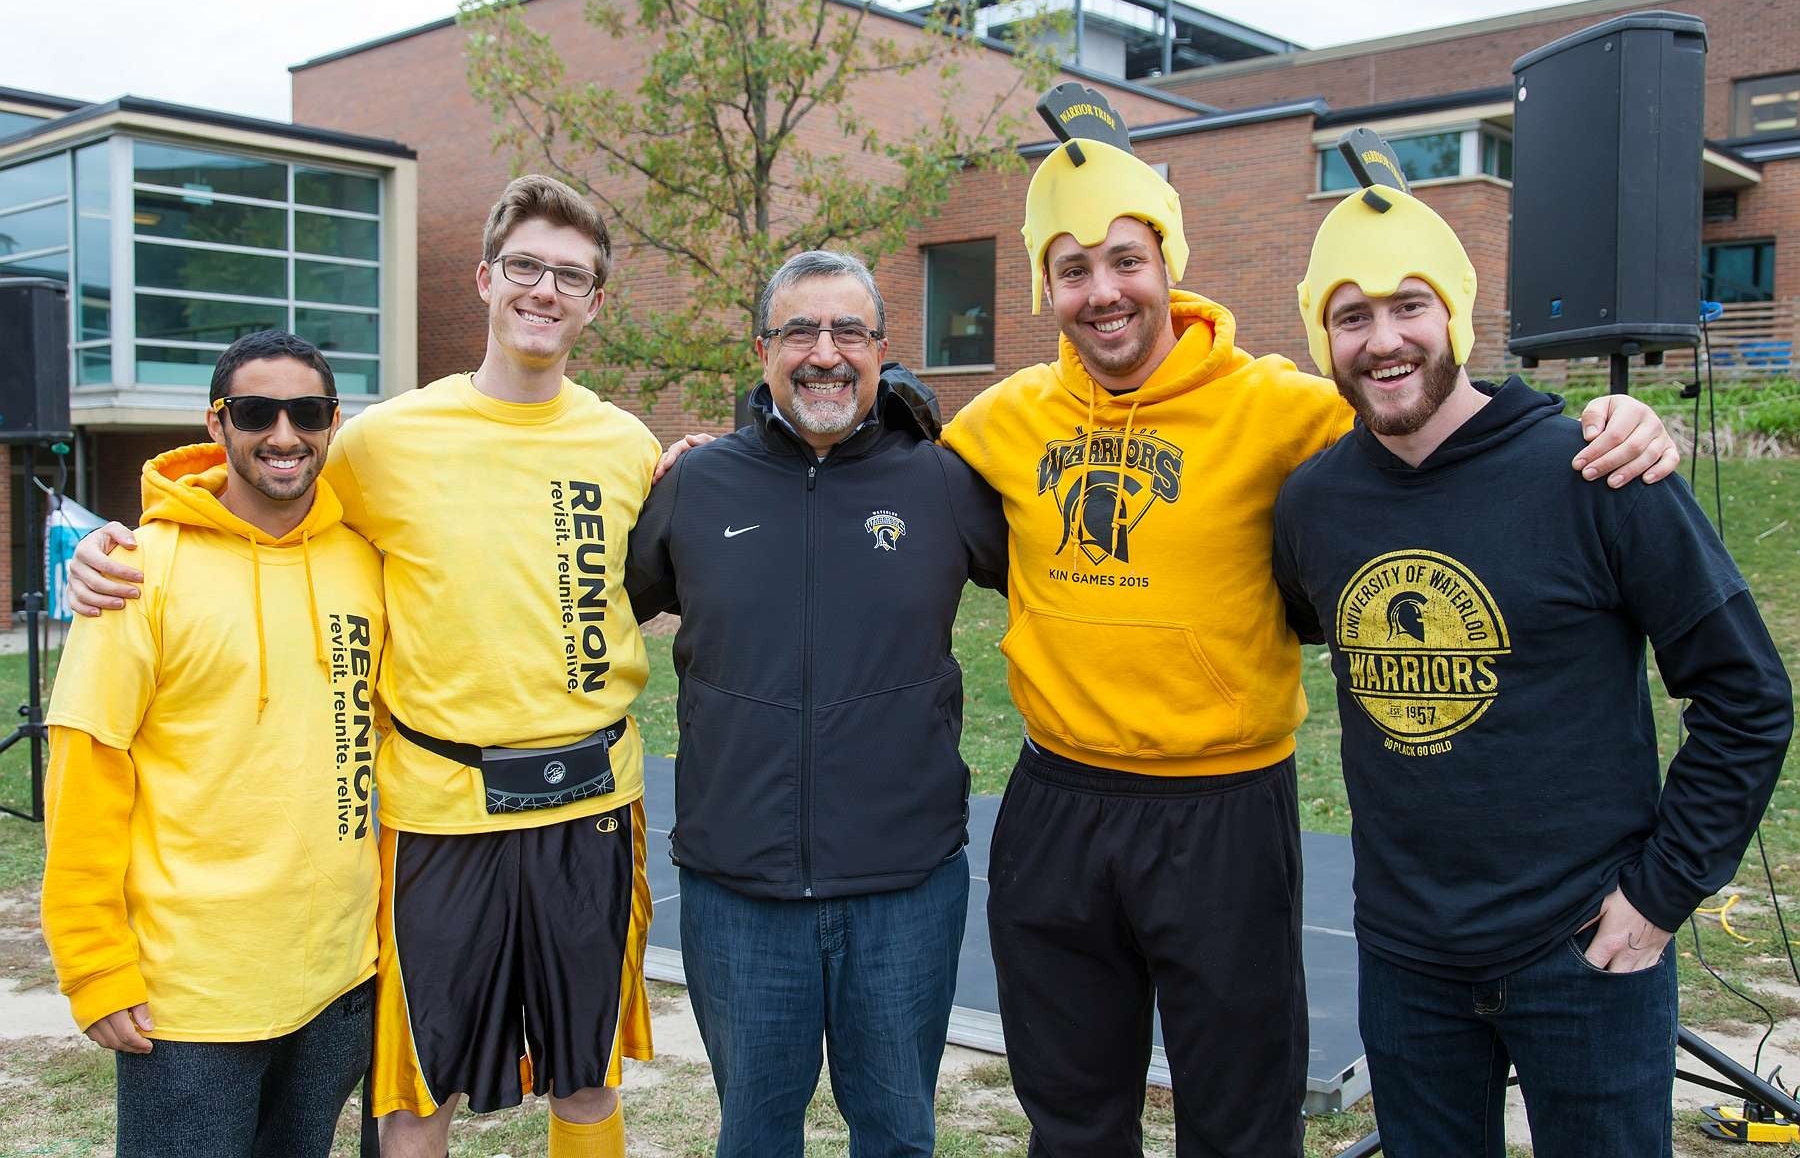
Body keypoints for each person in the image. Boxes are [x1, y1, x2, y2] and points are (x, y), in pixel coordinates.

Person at [933, 84, 1681, 1156]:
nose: (1103, 291)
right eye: (1072, 267)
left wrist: (1615, 416)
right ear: (1044, 284)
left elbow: (1436, 407)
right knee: (1070, 1113)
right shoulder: (1001, 418)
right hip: (1059, 800)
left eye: (1127, 259)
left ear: (1170, 266)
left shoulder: (1283, 405)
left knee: (1243, 1117)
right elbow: (886, 483)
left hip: (1223, 808)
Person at [64, 175, 658, 1158]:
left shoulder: (626, 443)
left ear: (596, 300)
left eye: (571, 275)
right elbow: (260, 476)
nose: (544, 290)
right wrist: (124, 539)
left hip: (590, 807)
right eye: (525, 266)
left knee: (586, 1079)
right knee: (416, 1097)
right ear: (484, 279)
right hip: (434, 812)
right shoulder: (384, 440)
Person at [1272, 159, 1793, 1158]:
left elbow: (1747, 695)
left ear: (1457, 313)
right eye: (1350, 316)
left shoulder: (1594, 471)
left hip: (1587, 951)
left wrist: (1658, 898)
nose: (1383, 340)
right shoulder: (1313, 507)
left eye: (1408, 305)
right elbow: (1307, 622)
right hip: (1406, 959)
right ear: (1319, 337)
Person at [626, 250, 1008, 1157]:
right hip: (738, 890)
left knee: (898, 1133)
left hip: (904, 888)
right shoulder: (696, 483)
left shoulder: (943, 482)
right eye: (800, 330)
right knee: (755, 1137)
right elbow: (593, 610)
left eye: (848, 331)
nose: (824, 352)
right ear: (763, 349)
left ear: (883, 351)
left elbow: (1070, 588)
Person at [42, 330, 385, 1157]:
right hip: (191, 991)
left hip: (340, 974)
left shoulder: (365, 560)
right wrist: (93, 961)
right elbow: (88, 766)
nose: (282, 434)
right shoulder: (137, 571)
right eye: (256, 411)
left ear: (332, 422)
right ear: (216, 422)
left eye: (306, 412)